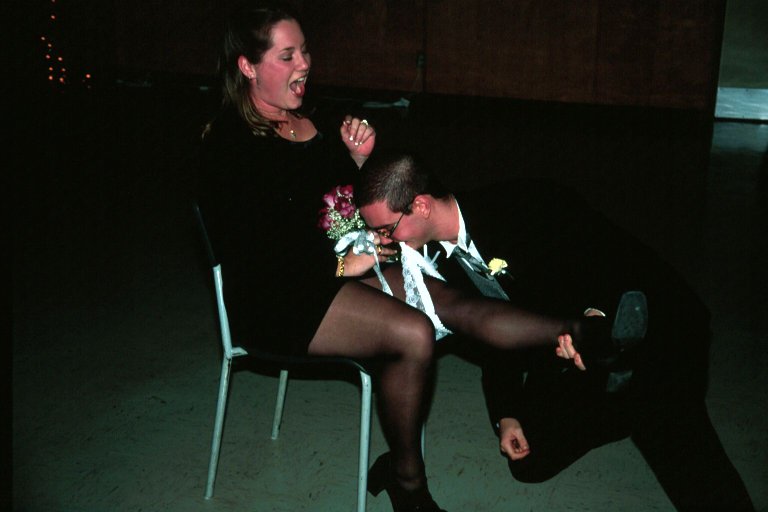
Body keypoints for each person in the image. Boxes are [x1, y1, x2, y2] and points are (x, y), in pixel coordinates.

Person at [197, 4, 644, 511]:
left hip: (336, 277)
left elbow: (337, 206)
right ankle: (408, 485)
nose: (305, 64)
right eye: (287, 56)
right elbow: (260, 254)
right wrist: (342, 265)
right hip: (278, 299)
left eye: (305, 50)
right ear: (248, 66)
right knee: (413, 332)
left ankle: (584, 332)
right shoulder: (228, 148)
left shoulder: (311, 117)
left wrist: (358, 161)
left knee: (451, 302)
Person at [354, 150, 756, 511]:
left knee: (685, 452)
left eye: (388, 229)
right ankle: (619, 405)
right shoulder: (433, 262)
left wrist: (595, 316)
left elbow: (608, 260)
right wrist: (506, 413)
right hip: (568, 353)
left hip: (655, 325)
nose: (383, 240)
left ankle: (638, 400)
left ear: (421, 206)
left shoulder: (527, 202)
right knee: (529, 462)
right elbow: (492, 331)